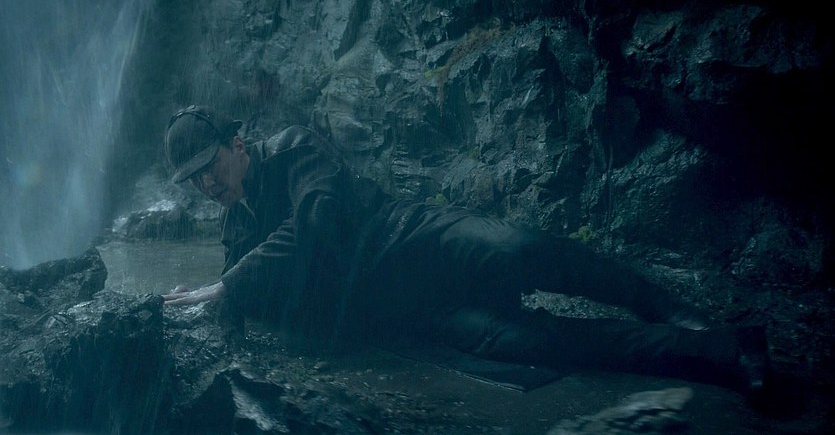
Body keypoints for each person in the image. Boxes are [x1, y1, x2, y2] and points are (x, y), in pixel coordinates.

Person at [161, 105, 770, 400]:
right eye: (194, 179)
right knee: (540, 345)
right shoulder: (236, 230)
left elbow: (314, 224)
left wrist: (231, 283)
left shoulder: (293, 147)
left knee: (521, 249)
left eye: (210, 166)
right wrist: (204, 316)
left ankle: (672, 308)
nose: (207, 184)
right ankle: (723, 352)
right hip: (411, 311)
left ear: (238, 144)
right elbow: (240, 297)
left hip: (414, 238)